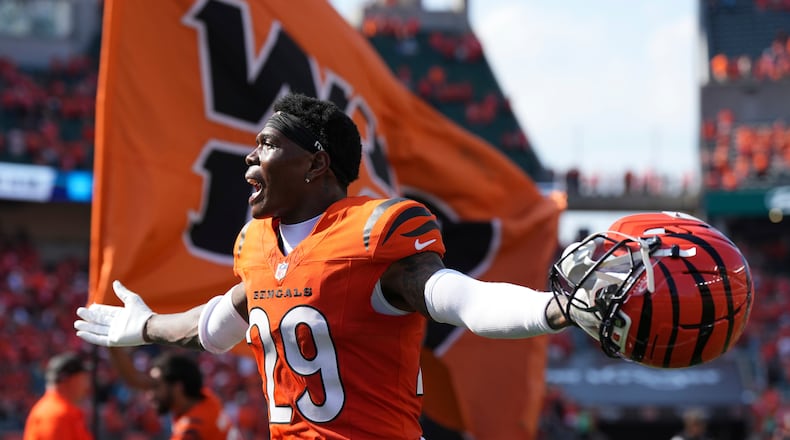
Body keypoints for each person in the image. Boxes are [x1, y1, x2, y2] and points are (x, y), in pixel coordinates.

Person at [73, 93, 751, 439]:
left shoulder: (375, 231)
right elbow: (218, 326)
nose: (250, 161)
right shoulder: (256, 244)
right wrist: (146, 326)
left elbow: (462, 301)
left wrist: (554, 307)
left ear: (316, 163)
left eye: (267, 146)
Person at [146, 351, 242, 440]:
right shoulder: (207, 398)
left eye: (156, 387)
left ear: (178, 387)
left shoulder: (190, 431)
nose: (150, 395)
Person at [24, 351, 93, 440]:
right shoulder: (57, 414)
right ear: (68, 379)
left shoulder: (56, 409)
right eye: (83, 378)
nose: (87, 385)